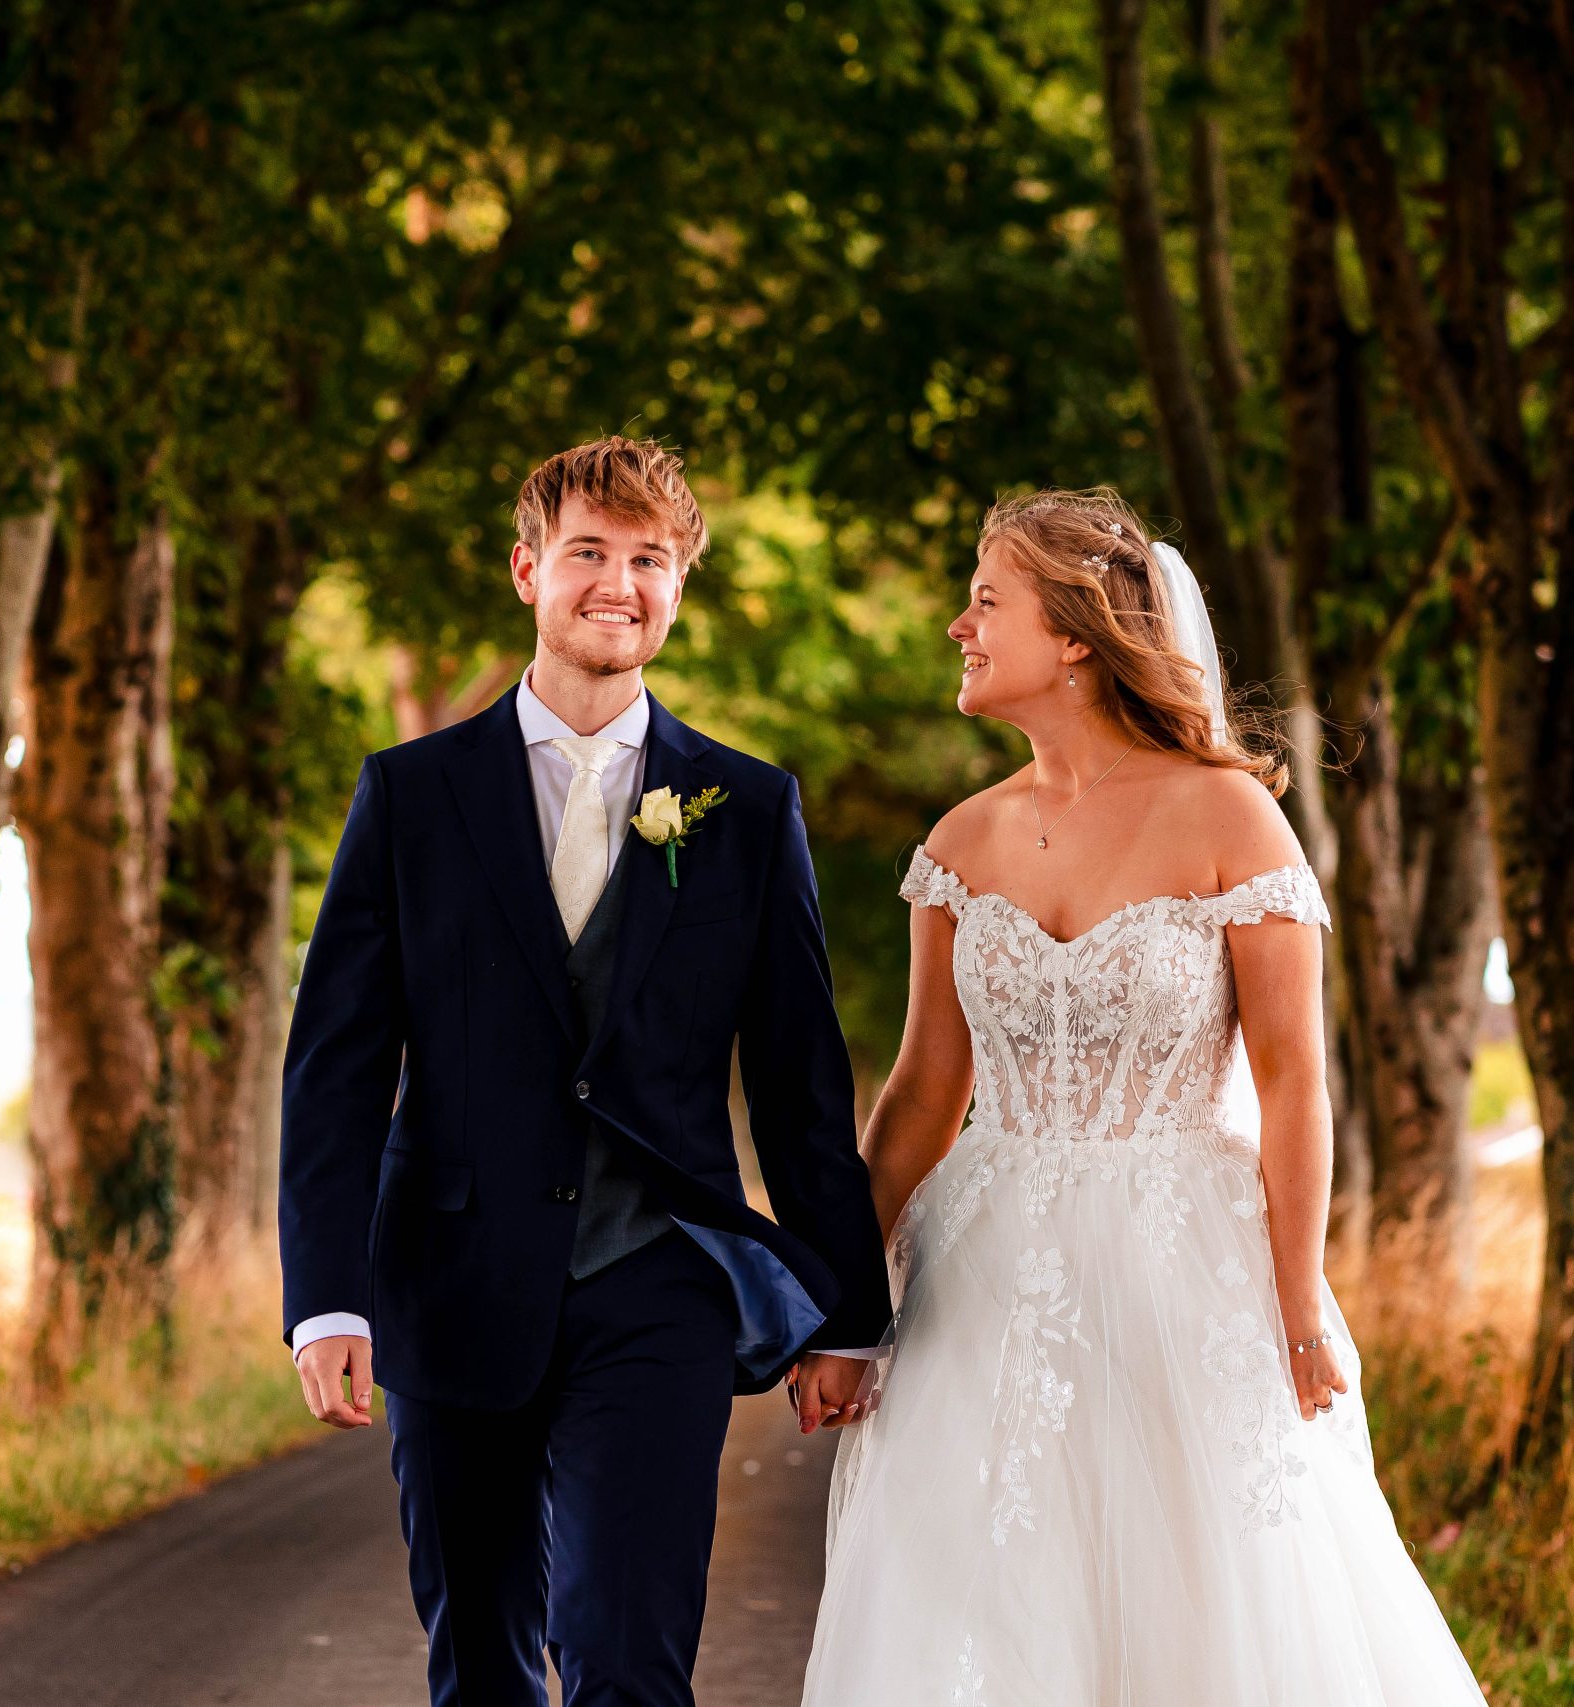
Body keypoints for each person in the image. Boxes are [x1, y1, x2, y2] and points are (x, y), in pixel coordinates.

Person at [799, 488, 1489, 1705]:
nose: (960, 625)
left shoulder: (1231, 818)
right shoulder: (957, 843)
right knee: (983, 1603)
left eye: (985, 600)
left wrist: (1295, 1304)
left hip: (1190, 1278)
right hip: (981, 1285)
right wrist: (839, 1310)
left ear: (1073, 634)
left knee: (1203, 1611)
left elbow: (1291, 1085)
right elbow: (918, 1098)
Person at [278, 435, 891, 1707]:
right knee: (484, 1667)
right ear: (527, 572)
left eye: (650, 560)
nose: (619, 583)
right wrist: (325, 1298)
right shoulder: (410, 795)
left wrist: (845, 1311)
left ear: (679, 588)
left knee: (627, 1656)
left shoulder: (747, 807)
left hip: (655, 1284)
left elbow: (797, 1081)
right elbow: (336, 1065)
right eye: (589, 555)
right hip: (447, 1282)